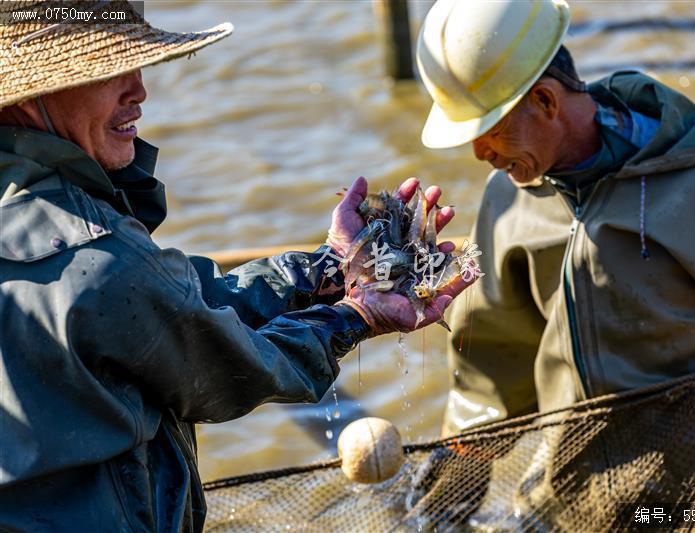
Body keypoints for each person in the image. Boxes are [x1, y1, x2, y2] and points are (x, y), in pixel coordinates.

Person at [0, 2, 471, 531]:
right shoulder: (92, 251)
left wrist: (330, 269)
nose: (139, 90)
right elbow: (228, 367)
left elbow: (178, 304)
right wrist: (359, 316)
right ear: (34, 92)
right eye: (110, 71)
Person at [412, 0, 695, 511]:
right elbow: (492, 350)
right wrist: (467, 448)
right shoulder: (507, 199)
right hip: (566, 491)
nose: (480, 154)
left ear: (548, 101)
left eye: (489, 131)